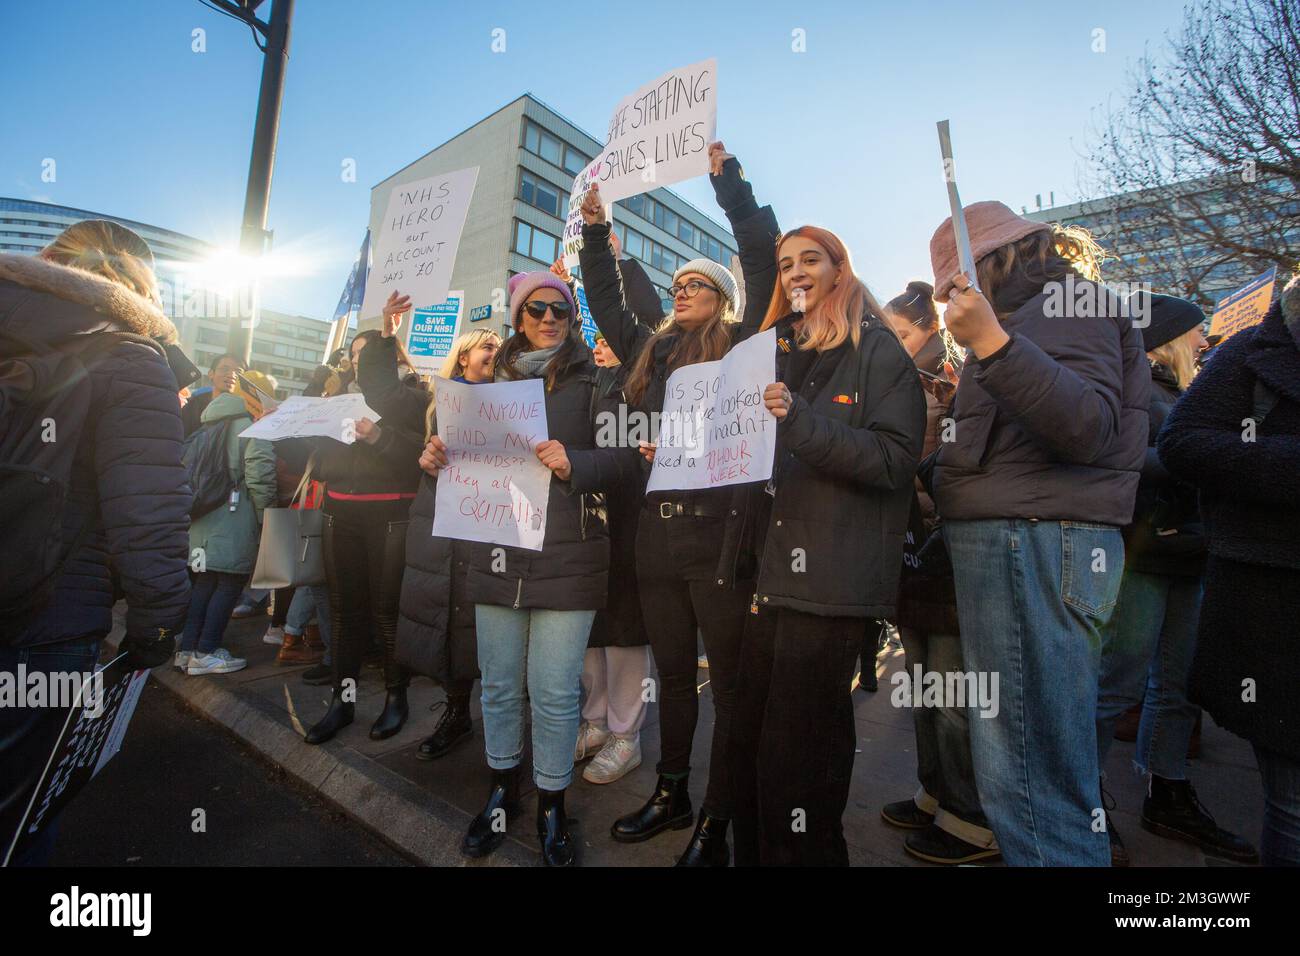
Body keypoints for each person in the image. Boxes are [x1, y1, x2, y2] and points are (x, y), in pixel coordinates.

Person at [715, 171, 927, 866]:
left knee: (799, 759)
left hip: (828, 586)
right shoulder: (770, 349)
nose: (795, 271)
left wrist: (803, 424)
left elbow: (896, 461)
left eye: (811, 258)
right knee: (747, 744)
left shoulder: (876, 351)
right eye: (785, 264)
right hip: (760, 578)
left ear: (840, 269)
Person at [929, 202, 1149, 866]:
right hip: (1026, 542)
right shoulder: (1034, 315)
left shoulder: (1062, 304)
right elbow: (1000, 445)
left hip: (1030, 545)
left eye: (953, 282)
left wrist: (993, 346)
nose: (948, 301)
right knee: (1036, 768)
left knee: (1031, 780)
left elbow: (1086, 424)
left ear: (995, 258)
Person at [577, 141, 778, 866]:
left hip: (721, 539)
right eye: (679, 281)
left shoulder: (744, 347)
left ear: (722, 300)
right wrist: (596, 234)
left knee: (725, 682)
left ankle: (720, 814)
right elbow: (603, 299)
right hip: (654, 542)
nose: (683, 287)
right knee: (672, 674)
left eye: (698, 282)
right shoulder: (647, 350)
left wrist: (732, 188)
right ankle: (671, 790)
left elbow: (764, 263)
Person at [422, 271, 636, 866]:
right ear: (518, 317)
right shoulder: (484, 386)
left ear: (571, 317)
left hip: (569, 555)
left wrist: (577, 464)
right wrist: (437, 458)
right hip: (496, 552)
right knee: (496, 685)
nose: (548, 317)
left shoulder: (598, 380)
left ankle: (550, 803)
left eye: (560, 309)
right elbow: (461, 465)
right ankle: (500, 792)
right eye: (536, 308)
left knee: (552, 690)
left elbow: (629, 461)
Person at [0, 221, 190, 864]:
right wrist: (156, 627)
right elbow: (149, 511)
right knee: (22, 817)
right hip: (45, 620)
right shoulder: (130, 355)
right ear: (139, 286)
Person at [1094, 293, 1256, 865]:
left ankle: (1169, 791)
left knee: (1179, 684)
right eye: (1194, 333)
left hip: (1191, 551)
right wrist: (1207, 456)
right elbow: (1129, 459)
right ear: (1164, 341)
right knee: (1117, 683)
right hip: (1144, 554)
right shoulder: (1130, 388)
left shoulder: (1192, 393)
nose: (1204, 341)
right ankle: (1088, 804)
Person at [1157, 273, 1300, 867]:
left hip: (1209, 562)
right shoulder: (1249, 357)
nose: (1196, 341)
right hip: (1265, 596)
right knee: (1292, 805)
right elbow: (1179, 443)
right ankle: (1161, 788)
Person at [878, 281, 998, 864]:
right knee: (925, 683)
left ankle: (972, 820)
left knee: (952, 693)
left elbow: (958, 461)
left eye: (901, 334)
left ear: (930, 330)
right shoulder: (897, 378)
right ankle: (935, 793)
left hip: (946, 553)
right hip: (911, 554)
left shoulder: (951, 380)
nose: (893, 343)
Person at [280, 328, 424, 744]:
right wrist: (292, 428)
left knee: (386, 612)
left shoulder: (413, 397)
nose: (358, 359)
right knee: (345, 614)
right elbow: (317, 464)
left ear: (389, 355)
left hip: (391, 514)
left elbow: (420, 458)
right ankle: (342, 703)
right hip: (338, 513)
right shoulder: (336, 399)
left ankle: (396, 699)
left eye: (367, 352)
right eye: (353, 353)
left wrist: (379, 437)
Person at [375, 325, 501, 761]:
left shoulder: (513, 401)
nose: (495, 352)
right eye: (487, 346)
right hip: (440, 524)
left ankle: (494, 717)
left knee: (474, 619)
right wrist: (384, 336)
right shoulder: (432, 402)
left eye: (499, 348)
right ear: (463, 357)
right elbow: (380, 391)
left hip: (490, 524)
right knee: (444, 614)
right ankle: (455, 710)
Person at [574, 333, 654, 786]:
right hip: (586, 516)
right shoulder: (589, 381)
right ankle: (597, 722)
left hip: (629, 517)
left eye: (611, 338)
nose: (602, 347)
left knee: (624, 627)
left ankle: (627, 734)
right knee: (590, 626)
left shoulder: (645, 383)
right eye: (597, 341)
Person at [179, 359, 277, 676]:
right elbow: (260, 477)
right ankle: (206, 651)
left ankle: (187, 651)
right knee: (228, 585)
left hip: (203, 518)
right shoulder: (252, 425)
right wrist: (266, 519)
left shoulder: (211, 420)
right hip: (234, 519)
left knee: (203, 585)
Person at [181, 352, 242, 437]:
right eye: (225, 369)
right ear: (211, 374)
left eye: (238, 371)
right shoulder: (194, 405)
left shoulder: (246, 412)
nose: (232, 375)